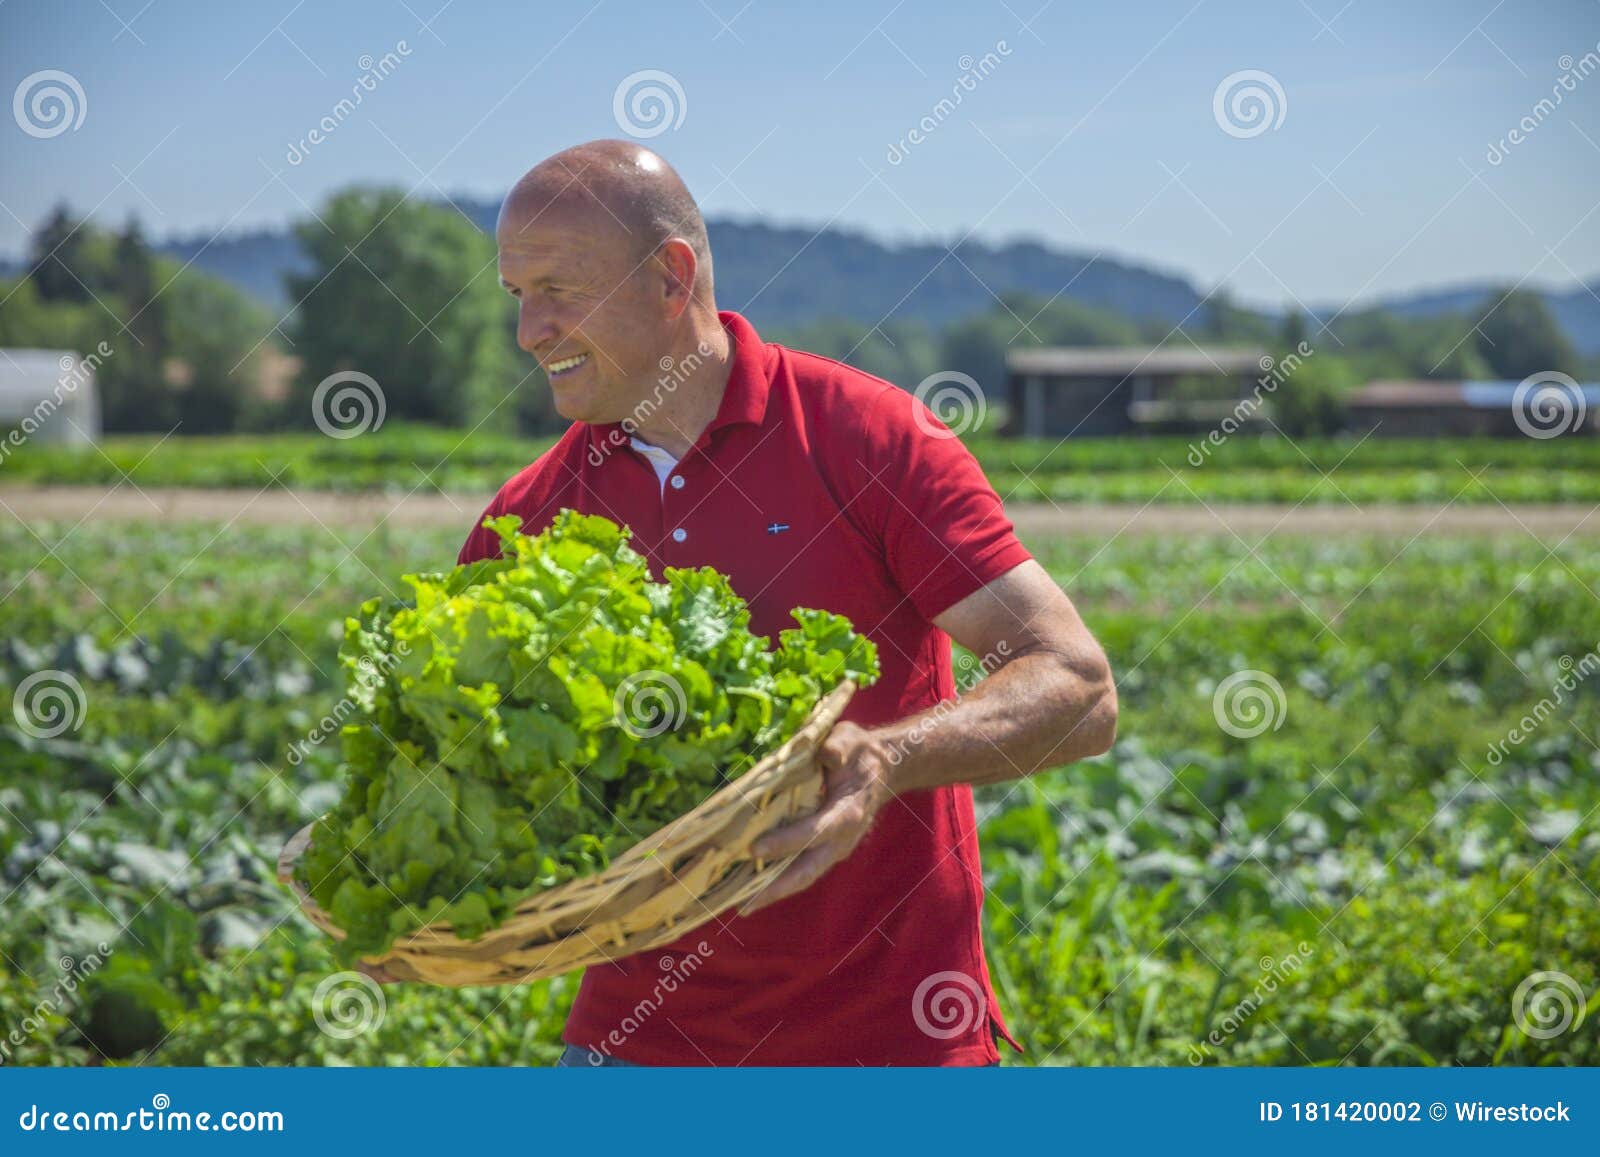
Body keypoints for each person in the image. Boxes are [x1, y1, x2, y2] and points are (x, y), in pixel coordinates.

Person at [361, 139, 1117, 1067]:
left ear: (670, 277)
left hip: (894, 1047)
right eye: (519, 296)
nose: (530, 332)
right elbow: (464, 773)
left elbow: (1078, 685)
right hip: (631, 1057)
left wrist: (884, 758)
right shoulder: (526, 520)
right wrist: (418, 893)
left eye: (559, 289)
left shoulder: (867, 437)